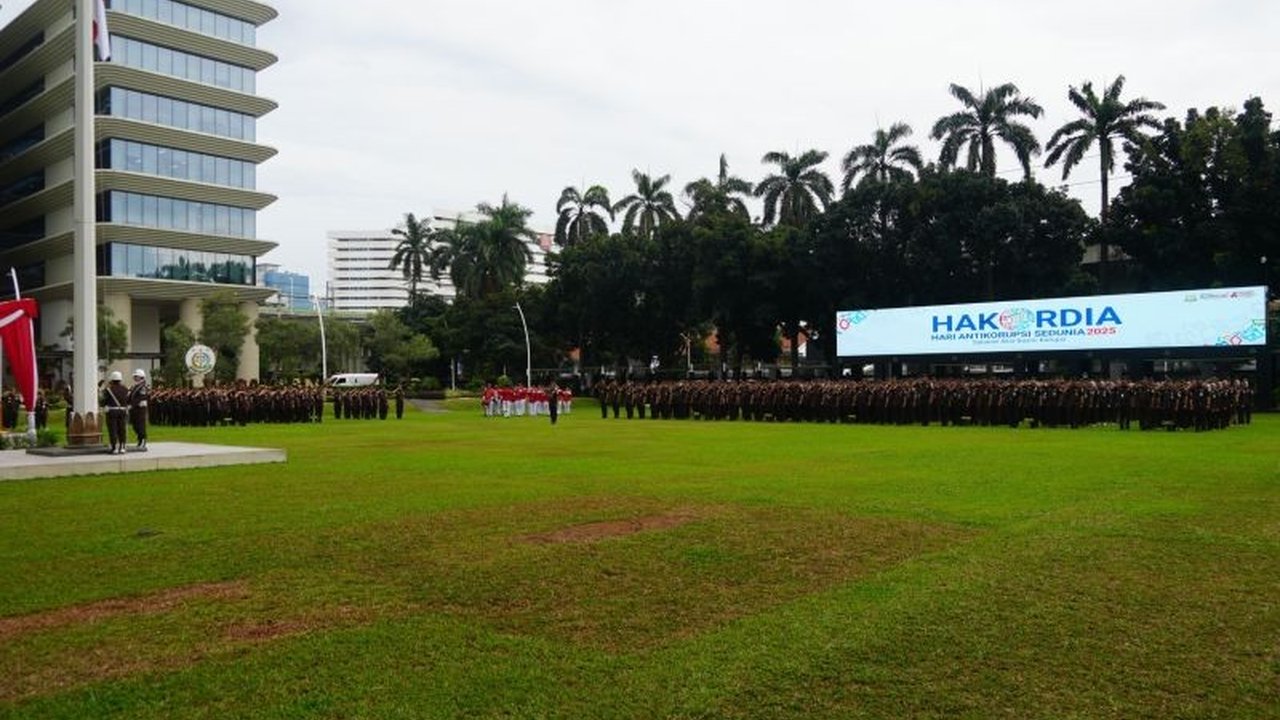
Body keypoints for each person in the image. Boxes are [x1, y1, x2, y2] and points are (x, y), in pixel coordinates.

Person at [101, 371, 130, 454]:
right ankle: (122, 447)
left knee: (113, 429)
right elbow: (128, 400)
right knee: (122, 429)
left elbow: (103, 401)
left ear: (112, 380)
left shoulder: (108, 389)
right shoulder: (125, 389)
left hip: (112, 411)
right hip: (122, 411)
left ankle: (114, 448)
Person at [127, 369, 150, 449]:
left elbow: (140, 398)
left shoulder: (143, 387)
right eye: (135, 376)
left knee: (140, 426)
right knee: (135, 425)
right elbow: (131, 397)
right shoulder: (135, 386)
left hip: (140, 409)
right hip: (134, 409)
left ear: (141, 377)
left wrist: (131, 405)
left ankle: (143, 440)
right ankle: (139, 440)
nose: (135, 378)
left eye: (136, 376)